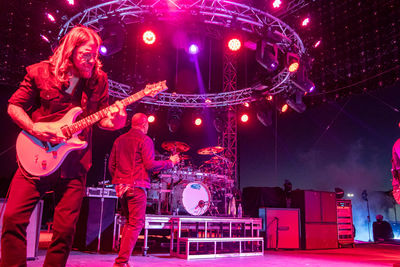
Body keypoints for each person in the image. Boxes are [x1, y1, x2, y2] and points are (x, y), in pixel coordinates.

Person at [1, 26, 127, 267]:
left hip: (74, 164)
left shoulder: (98, 80)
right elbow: (13, 106)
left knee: (65, 232)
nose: (93, 60)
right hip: (37, 155)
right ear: (71, 51)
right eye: (87, 54)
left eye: (95, 55)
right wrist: (35, 128)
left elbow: (103, 119)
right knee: (13, 220)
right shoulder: (40, 72)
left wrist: (118, 122)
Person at [109, 113, 179, 267]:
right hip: (136, 187)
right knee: (136, 224)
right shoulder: (145, 139)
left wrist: (120, 180)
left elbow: (111, 166)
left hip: (121, 188)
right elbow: (149, 165)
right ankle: (120, 263)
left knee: (129, 224)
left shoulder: (119, 140)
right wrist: (170, 162)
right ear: (145, 124)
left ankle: (123, 260)